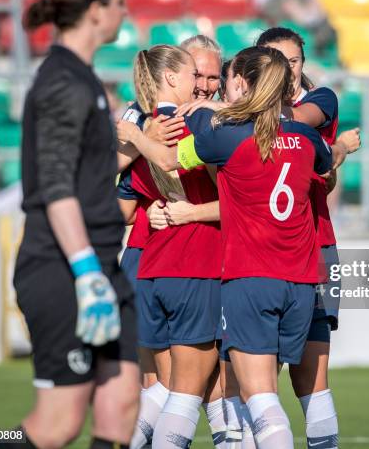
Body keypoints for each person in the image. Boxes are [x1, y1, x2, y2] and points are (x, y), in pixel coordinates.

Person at [119, 46, 337, 449]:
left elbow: (168, 160)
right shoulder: (306, 136)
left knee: (250, 399)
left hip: (246, 277)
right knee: (280, 391)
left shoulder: (226, 138)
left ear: (238, 83)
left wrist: (134, 134)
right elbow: (327, 169)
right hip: (301, 280)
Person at [0, 0, 139, 449]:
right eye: (119, 2)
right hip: (63, 270)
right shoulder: (62, 81)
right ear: (98, 10)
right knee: (56, 426)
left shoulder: (82, 78)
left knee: (121, 406)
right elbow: (56, 189)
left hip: (99, 266)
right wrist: (86, 273)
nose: (125, 11)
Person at [256, 26, 359, 449]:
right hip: (258, 251)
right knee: (250, 380)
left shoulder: (320, 100)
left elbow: (318, 167)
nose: (287, 71)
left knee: (312, 380)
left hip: (314, 248)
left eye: (293, 62)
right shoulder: (244, 108)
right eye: (275, 62)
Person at [117, 45, 223, 449]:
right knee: (186, 394)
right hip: (196, 266)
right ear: (174, 79)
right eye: (193, 75)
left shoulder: (146, 132)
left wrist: (136, 140)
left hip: (153, 269)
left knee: (161, 388)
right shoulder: (199, 123)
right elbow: (233, 190)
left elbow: (130, 202)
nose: (201, 85)